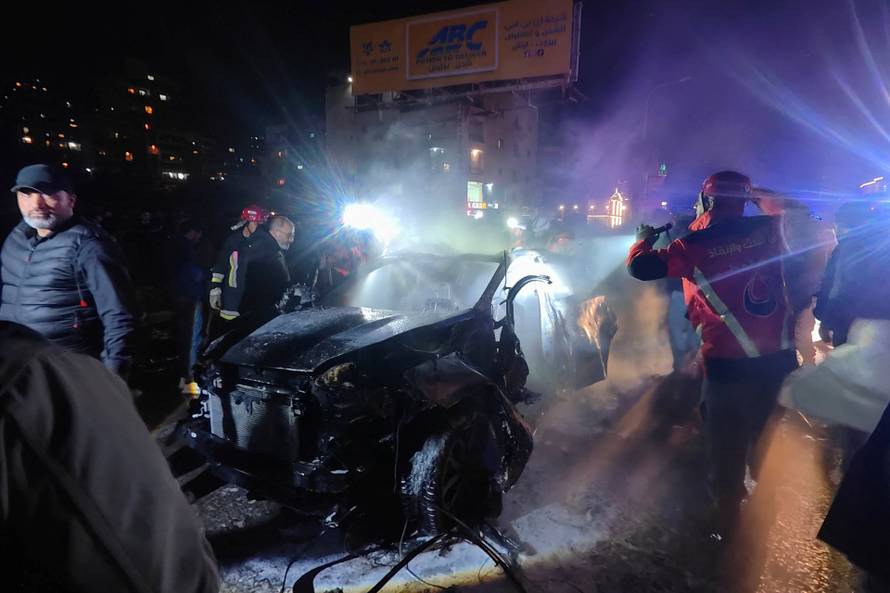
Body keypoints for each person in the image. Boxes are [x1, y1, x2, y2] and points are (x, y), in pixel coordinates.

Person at [626, 171, 797, 531]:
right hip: (778, 360)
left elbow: (640, 268)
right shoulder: (772, 231)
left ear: (707, 202)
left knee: (726, 438)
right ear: (744, 202)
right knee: (765, 433)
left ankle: (727, 510)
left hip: (728, 364)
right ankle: (769, 503)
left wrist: (642, 240)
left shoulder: (694, 246)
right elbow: (790, 213)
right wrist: (756, 195)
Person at [0, 321, 219, 592]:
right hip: (64, 375)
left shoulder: (29, 377)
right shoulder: (30, 381)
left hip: (67, 365)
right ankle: (195, 401)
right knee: (196, 354)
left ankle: (196, 400)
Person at [0, 164, 139, 378]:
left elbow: (119, 316)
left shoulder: (90, 246)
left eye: (47, 193)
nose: (36, 203)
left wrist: (113, 380)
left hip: (68, 372)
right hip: (19, 369)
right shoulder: (16, 239)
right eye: (26, 194)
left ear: (71, 200)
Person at [207, 203, 270, 339]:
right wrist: (215, 290)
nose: (259, 227)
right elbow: (219, 267)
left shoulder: (264, 243)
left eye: (261, 224)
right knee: (227, 337)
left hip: (252, 301)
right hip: (232, 300)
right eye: (256, 223)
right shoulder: (232, 241)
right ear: (247, 221)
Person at [168, 218, 207, 393]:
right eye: (199, 235)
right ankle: (191, 384)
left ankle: (182, 380)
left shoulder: (171, 244)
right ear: (194, 232)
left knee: (184, 338)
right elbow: (193, 273)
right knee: (193, 338)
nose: (199, 238)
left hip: (176, 295)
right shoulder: (186, 247)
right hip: (190, 296)